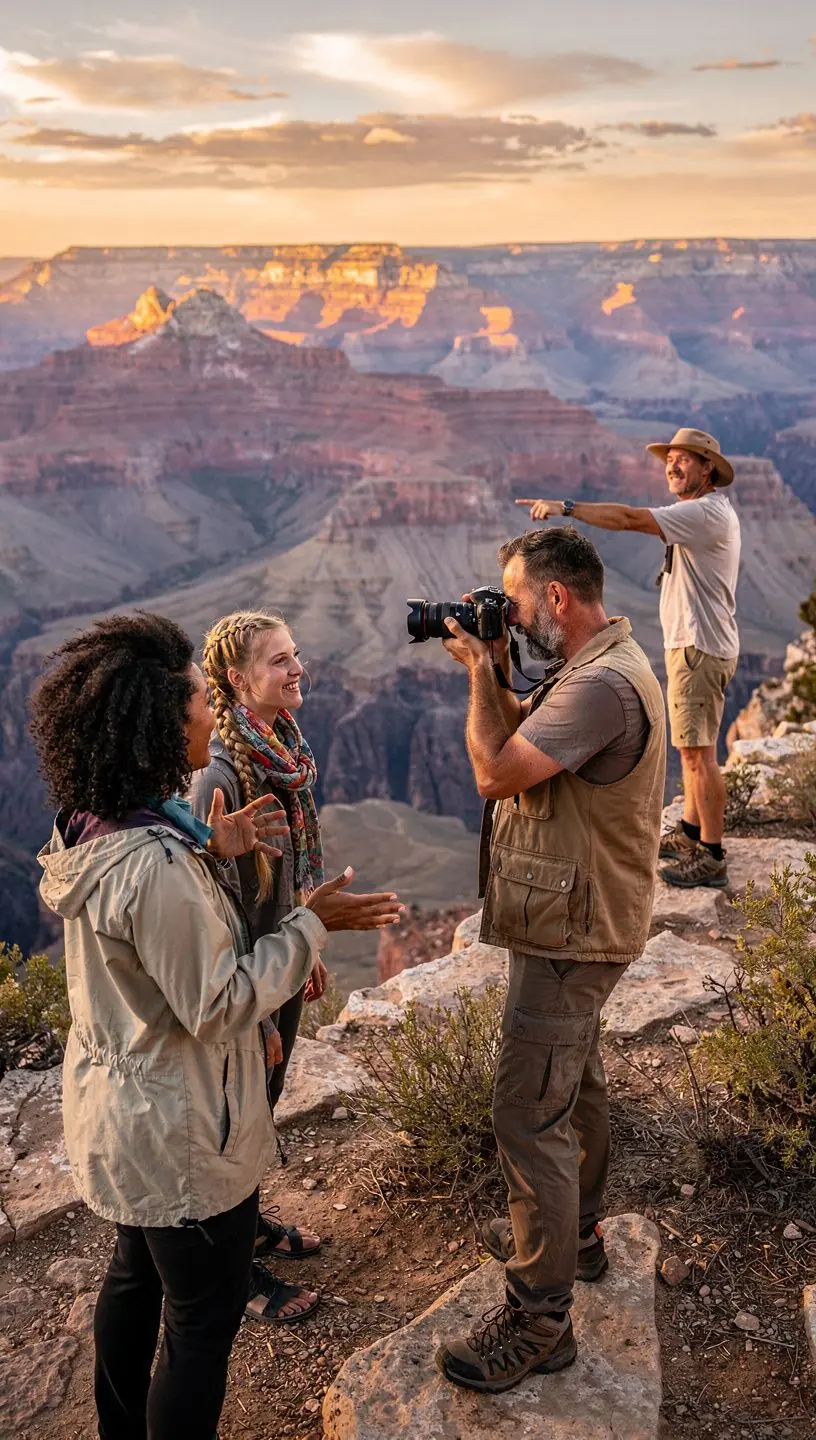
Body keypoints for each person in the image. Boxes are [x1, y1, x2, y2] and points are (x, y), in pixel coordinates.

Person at [30, 611, 403, 1440]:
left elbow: (159, 918)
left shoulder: (108, 822)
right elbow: (219, 1000)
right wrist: (311, 923)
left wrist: (214, 842)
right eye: (200, 700)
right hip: (179, 1126)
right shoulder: (154, 866)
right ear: (165, 723)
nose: (210, 713)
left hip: (125, 1111)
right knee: (200, 1324)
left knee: (134, 1276)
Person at [435, 527, 665, 1394]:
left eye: (516, 600)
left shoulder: (602, 685)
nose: (509, 612)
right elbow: (529, 743)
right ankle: (580, 1240)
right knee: (576, 1087)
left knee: (527, 1112)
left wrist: (476, 675)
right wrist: (496, 664)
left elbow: (496, 772)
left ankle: (540, 1320)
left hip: (572, 931)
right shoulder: (595, 667)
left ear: (557, 599)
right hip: (579, 917)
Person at [515, 426, 741, 889]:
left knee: (700, 755)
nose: (672, 467)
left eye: (684, 459)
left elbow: (629, 518)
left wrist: (567, 508)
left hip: (700, 647)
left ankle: (712, 855)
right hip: (695, 646)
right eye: (669, 460)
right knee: (690, 748)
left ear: (708, 469)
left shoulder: (704, 514)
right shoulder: (700, 512)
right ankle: (693, 832)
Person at [190, 609, 325, 1325]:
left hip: (280, 960)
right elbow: (212, 909)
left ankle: (247, 1226)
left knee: (259, 1107)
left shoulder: (282, 746)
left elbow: (283, 873)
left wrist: (305, 938)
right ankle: (234, 1271)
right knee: (237, 1120)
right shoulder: (219, 771)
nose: (296, 668)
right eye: (279, 660)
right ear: (238, 680)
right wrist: (262, 1012)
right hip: (247, 982)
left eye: (295, 654)